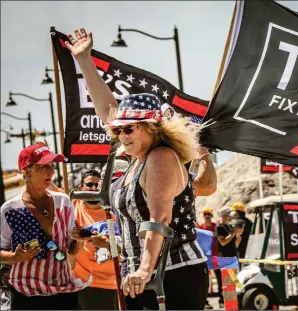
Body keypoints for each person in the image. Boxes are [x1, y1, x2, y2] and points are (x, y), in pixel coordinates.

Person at [65, 27, 211, 310]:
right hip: (141, 276)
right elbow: (107, 108)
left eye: (129, 128)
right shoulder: (135, 158)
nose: (122, 135)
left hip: (170, 275)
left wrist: (145, 270)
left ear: (151, 128)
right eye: (118, 130)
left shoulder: (161, 157)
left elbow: (159, 220)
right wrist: (84, 60)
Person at [0, 144, 91, 310]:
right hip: (26, 294)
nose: (51, 172)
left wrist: (80, 240)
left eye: (51, 166)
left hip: (63, 290)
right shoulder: (10, 209)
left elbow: (71, 250)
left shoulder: (63, 202)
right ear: (26, 172)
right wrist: (15, 257)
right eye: (43, 167)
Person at [71, 169, 121, 310]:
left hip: (111, 283)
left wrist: (106, 244)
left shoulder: (113, 212)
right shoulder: (72, 207)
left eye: (97, 185)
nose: (93, 188)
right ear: (80, 188)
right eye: (89, 185)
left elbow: (124, 249)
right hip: (85, 283)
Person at [197, 207, 221, 309]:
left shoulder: (216, 226)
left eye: (208, 214)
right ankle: (205, 301)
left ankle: (221, 300)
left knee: (220, 279)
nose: (207, 216)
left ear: (211, 216)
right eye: (205, 214)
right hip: (205, 258)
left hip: (215, 257)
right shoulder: (201, 227)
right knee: (205, 280)